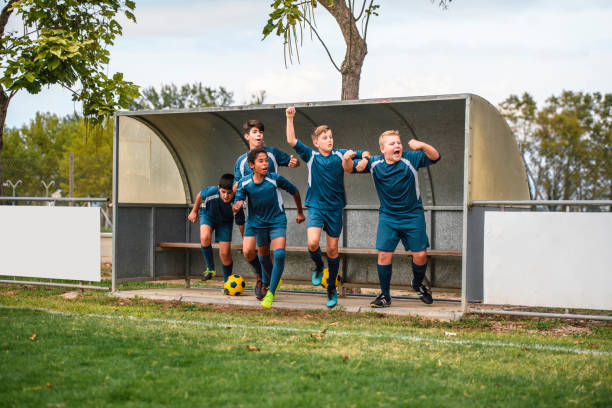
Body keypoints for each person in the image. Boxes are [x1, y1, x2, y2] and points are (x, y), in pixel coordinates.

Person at [343, 130, 440, 307]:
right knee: (383, 255)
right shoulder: (374, 163)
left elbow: (435, 156)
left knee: (420, 255)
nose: (397, 146)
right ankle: (385, 296)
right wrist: (347, 159)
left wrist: (422, 145)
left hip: (413, 215)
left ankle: (417, 284)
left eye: (398, 143)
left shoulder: (411, 159)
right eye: (392, 143)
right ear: (382, 148)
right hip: (389, 217)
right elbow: (349, 168)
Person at [285, 106, 370, 308]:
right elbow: (291, 141)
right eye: (324, 138)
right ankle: (317, 265)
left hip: (334, 209)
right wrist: (290, 117)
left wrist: (364, 159)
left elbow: (365, 152)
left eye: (330, 137)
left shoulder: (341, 155)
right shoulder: (311, 156)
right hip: (316, 207)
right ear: (316, 143)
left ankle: (331, 287)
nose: (329, 140)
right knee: (313, 243)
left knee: (332, 249)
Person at [234, 119, 300, 300]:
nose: (259, 135)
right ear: (247, 136)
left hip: (272, 213)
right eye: (255, 132)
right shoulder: (241, 161)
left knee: (272, 252)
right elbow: (236, 185)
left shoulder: (273, 154)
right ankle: (262, 275)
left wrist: (293, 162)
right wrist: (237, 198)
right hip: (253, 215)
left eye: (261, 132)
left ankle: (266, 283)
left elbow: (293, 163)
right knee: (248, 251)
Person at [187, 174, 245, 286]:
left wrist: (245, 240)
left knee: (225, 252)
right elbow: (200, 195)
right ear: (219, 188)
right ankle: (210, 269)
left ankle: (227, 282)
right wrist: (194, 211)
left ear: (234, 191)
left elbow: (241, 223)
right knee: (205, 237)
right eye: (223, 192)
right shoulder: (211, 191)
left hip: (225, 223)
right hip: (208, 216)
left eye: (229, 193)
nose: (226, 196)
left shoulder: (237, 202)